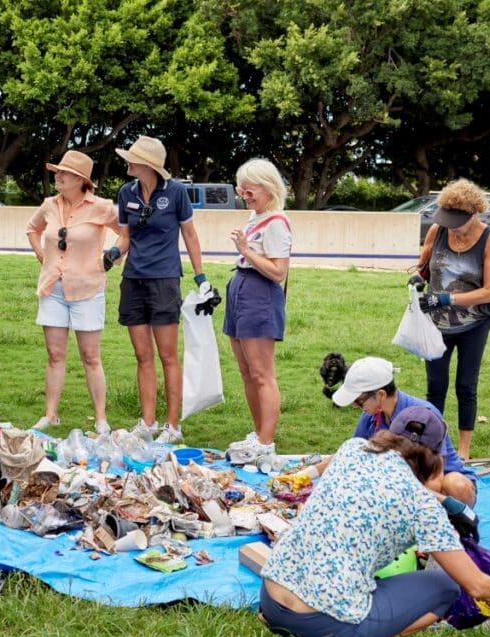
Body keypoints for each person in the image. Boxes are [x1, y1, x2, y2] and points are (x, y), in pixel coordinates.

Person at [258, 406, 490, 637]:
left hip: (271, 600)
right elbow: (477, 586)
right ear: (437, 457)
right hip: (322, 624)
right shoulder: (422, 506)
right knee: (445, 587)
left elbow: (389, 480)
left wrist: (449, 504)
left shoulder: (351, 449)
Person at [113, 136, 214, 444]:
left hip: (165, 280)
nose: (127, 161)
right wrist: (113, 254)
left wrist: (201, 278)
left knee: (168, 355)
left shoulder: (176, 193)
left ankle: (172, 426)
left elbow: (191, 237)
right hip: (133, 280)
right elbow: (125, 238)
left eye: (132, 158)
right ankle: (148, 422)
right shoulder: (125, 193)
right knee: (142, 356)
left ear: (147, 165)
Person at [25, 150, 122, 434]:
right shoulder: (49, 205)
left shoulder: (102, 207)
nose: (57, 176)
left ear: (80, 180)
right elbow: (32, 229)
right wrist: (42, 254)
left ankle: (101, 418)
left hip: (87, 289)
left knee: (91, 356)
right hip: (53, 288)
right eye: (57, 171)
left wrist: (113, 256)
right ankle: (50, 415)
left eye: (63, 173)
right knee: (55, 355)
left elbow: (125, 233)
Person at [411, 178, 490, 459]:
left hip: (474, 323)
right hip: (436, 323)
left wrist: (448, 298)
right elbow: (424, 266)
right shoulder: (438, 231)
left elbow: (489, 292)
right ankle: (433, 444)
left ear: (473, 213)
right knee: (435, 386)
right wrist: (417, 277)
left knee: (466, 385)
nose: (451, 226)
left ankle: (463, 450)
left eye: (457, 221)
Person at [332, 356, 476, 506]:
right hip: (402, 481)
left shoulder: (424, 417)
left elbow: (434, 480)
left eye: (359, 401)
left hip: (435, 481)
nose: (356, 406)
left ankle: (455, 519)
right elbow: (351, 454)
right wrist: (311, 472)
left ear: (381, 395)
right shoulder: (370, 415)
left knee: (455, 484)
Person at [223, 159, 292, 464]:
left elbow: (278, 272)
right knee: (246, 372)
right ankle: (258, 432)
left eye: (250, 187)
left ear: (269, 188)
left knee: (262, 374)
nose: (244, 192)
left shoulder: (276, 222)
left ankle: (266, 441)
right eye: (242, 186)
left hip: (259, 295)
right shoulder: (256, 217)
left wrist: (246, 251)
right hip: (241, 291)